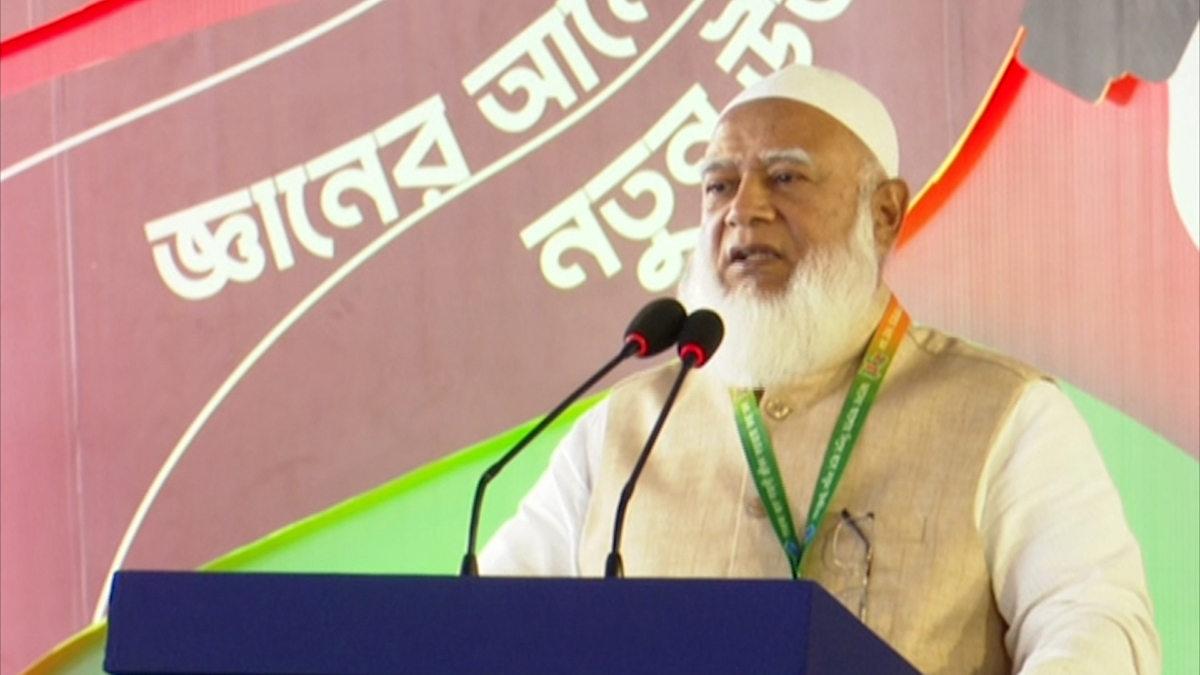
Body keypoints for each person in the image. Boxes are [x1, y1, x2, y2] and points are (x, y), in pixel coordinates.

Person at [480, 65, 1160, 674]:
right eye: (719, 186)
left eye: (786, 177)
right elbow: (488, 629)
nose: (744, 209)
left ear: (884, 212)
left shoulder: (1003, 412)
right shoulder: (623, 431)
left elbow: (1094, 621)